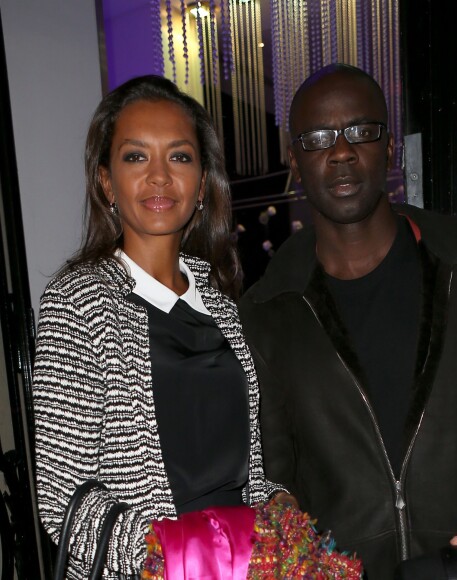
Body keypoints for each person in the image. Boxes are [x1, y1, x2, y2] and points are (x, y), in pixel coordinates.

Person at [239, 64, 457, 578]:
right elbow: (271, 468)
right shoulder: (265, 313)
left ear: (388, 149)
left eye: (361, 132)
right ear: (295, 162)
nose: (342, 151)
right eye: (319, 137)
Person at [33, 75, 361, 579]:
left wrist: (281, 511)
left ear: (203, 183)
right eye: (136, 157)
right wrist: (184, 556)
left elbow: (246, 473)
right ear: (106, 182)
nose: (160, 177)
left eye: (180, 157)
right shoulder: (78, 303)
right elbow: (63, 501)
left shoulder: (223, 306)